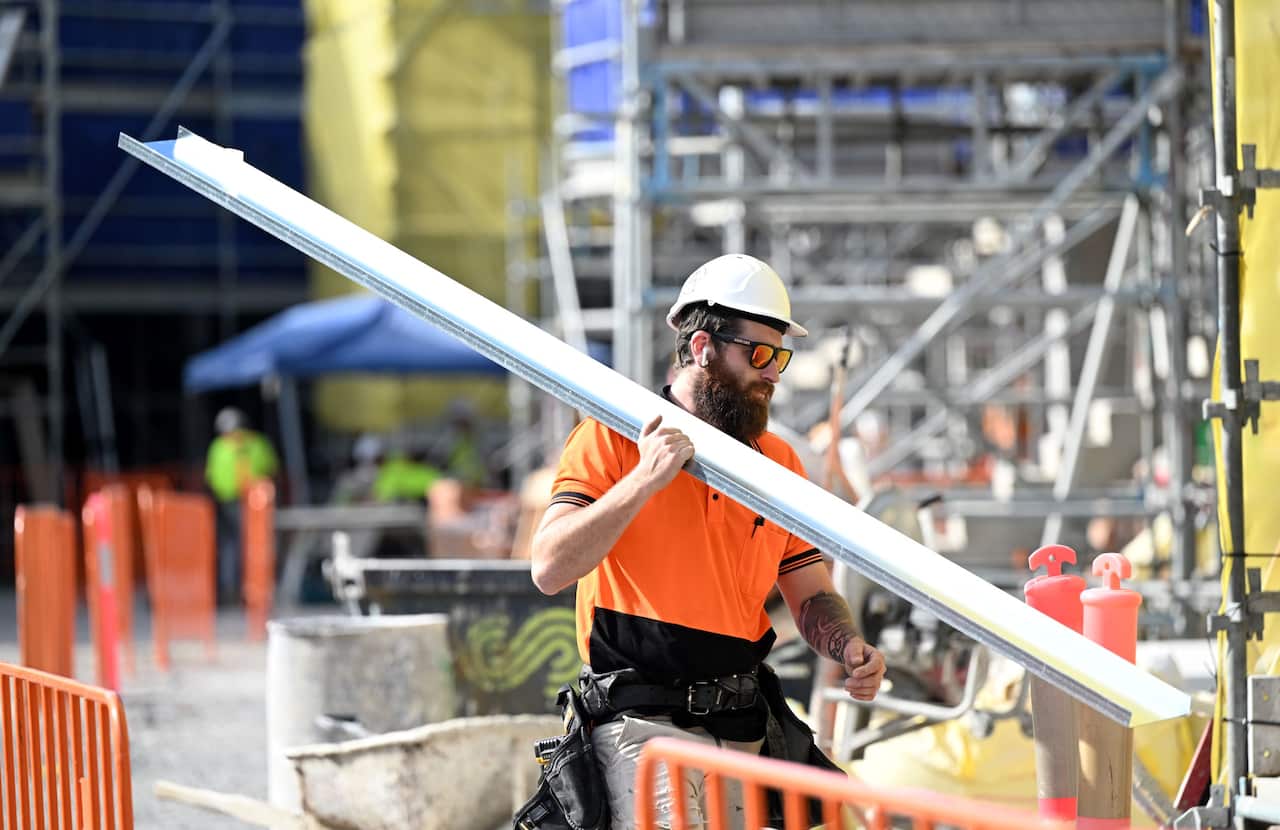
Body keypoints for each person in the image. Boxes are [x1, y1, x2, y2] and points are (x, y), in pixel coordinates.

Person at [530, 253, 886, 828]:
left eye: (781, 357)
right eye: (760, 354)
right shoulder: (613, 436)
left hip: (743, 727)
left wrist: (848, 646)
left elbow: (810, 590)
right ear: (702, 348)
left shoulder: (778, 464)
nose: (773, 373)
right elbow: (549, 567)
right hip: (644, 728)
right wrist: (645, 479)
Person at [205, 407, 279, 604]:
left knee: (235, 546)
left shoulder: (219, 446)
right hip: (246, 502)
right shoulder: (256, 443)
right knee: (247, 545)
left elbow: (211, 477)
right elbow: (271, 470)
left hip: (237, 502)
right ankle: (248, 588)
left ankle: (239, 589)